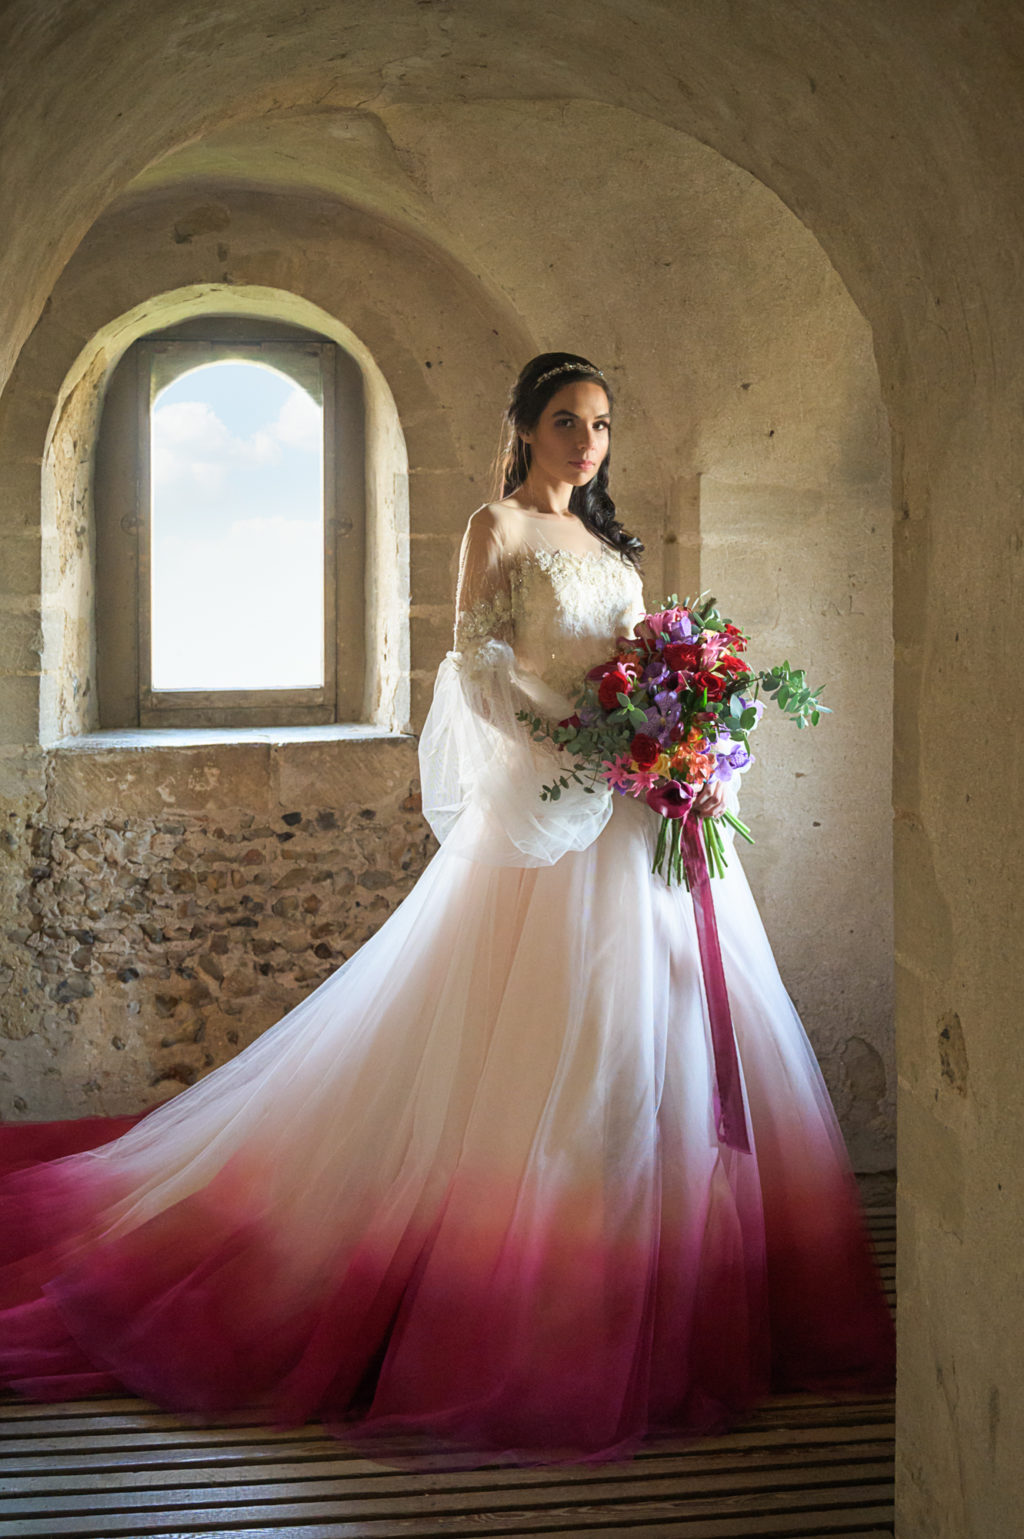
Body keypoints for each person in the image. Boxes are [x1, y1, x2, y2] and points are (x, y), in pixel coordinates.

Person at [0, 351, 894, 1466]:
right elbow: (474, 673)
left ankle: (659, 1272)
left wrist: (684, 734)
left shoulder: (611, 548)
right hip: (561, 815)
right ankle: (532, 1299)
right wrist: (594, 745)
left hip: (636, 821)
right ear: (524, 426)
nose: (586, 441)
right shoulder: (497, 528)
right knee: (538, 1052)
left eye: (602, 423)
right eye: (566, 420)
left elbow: (641, 660)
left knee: (645, 1044)